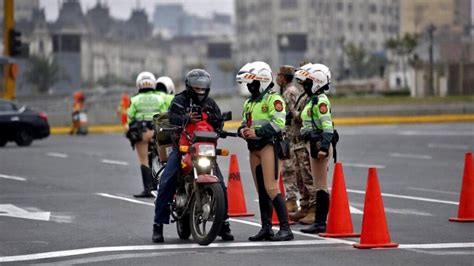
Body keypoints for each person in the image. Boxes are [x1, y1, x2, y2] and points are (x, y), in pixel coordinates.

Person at [152, 69, 234, 243]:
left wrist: (220, 125)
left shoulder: (211, 104)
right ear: (189, 86)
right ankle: (158, 224)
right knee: (167, 180)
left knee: (221, 185)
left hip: (205, 149)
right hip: (183, 148)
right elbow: (172, 118)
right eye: (196, 87)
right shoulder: (179, 101)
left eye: (203, 87)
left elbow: (218, 121)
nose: (200, 90)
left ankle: (224, 224)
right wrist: (185, 118)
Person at [236, 61, 294, 241]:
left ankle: (286, 229)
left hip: (269, 146)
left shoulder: (273, 99)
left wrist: (257, 132)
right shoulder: (249, 103)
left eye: (252, 83)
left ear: (261, 81)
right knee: (261, 190)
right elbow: (244, 123)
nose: (250, 87)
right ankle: (266, 228)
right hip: (253, 149)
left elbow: (278, 123)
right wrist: (242, 131)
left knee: (271, 188)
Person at [294, 63, 335, 234]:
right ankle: (319, 221)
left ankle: (320, 222)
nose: (305, 85)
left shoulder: (321, 101)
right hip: (311, 143)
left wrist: (324, 148)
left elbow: (327, 128)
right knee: (319, 185)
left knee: (321, 186)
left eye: (309, 82)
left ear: (317, 82)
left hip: (319, 144)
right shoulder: (313, 100)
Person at [276, 65, 316, 225]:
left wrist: (292, 114)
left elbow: (297, 116)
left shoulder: (291, 92)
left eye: (279, 75)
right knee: (297, 175)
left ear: (284, 77)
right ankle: (304, 206)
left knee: (304, 175)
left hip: (297, 139)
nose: (277, 77)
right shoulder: (286, 91)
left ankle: (312, 208)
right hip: (291, 139)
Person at [127, 72, 167, 198]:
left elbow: (130, 116)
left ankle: (148, 189)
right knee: (162, 159)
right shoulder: (159, 98)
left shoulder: (134, 99)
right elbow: (164, 114)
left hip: (142, 132)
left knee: (144, 160)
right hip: (157, 131)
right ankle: (162, 186)